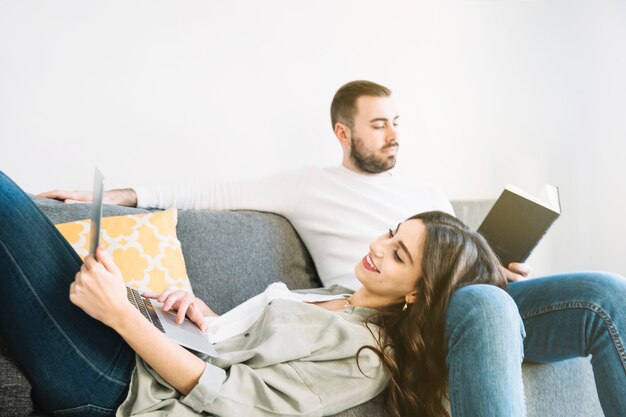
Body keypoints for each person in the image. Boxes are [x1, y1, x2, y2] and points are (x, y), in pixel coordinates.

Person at [37, 81, 626, 416]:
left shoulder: (427, 196)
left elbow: (451, 257)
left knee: (606, 295)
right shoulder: (310, 186)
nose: (393, 134)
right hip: (420, 309)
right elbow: (208, 192)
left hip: (455, 286)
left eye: (397, 122)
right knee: (486, 305)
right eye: (378, 125)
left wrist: (494, 268)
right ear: (344, 133)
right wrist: (113, 194)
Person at [0, 171, 507, 417]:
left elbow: (235, 400)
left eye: (398, 255)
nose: (378, 246)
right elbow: (237, 352)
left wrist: (121, 316)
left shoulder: (367, 358)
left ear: (419, 294)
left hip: (127, 390)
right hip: (140, 356)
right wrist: (200, 315)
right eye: (391, 233)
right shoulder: (338, 294)